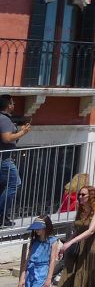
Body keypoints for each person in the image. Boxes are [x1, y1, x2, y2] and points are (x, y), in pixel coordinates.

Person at [18, 215, 59, 287]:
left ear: (46, 227)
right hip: (30, 272)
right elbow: (27, 260)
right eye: (35, 228)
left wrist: (49, 279)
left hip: (42, 272)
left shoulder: (53, 241)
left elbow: (52, 261)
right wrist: (22, 278)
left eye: (39, 228)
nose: (37, 231)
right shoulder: (34, 241)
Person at [0, 94, 33, 227]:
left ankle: (3, 216)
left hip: (4, 157)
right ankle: (1, 215)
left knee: (3, 186)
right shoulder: (4, 120)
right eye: (12, 103)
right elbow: (7, 138)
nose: (14, 105)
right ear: (8, 105)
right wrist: (23, 132)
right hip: (4, 159)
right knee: (14, 183)